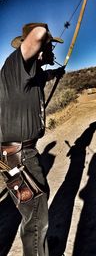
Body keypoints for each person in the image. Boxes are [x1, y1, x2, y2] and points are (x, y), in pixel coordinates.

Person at [0, 23, 65, 256]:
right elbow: (38, 33)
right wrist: (45, 38)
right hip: (19, 155)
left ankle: (40, 249)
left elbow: (42, 76)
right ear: (40, 48)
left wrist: (55, 73)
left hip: (13, 155)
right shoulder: (16, 64)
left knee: (34, 211)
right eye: (50, 48)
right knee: (35, 215)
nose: (52, 53)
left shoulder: (30, 73)